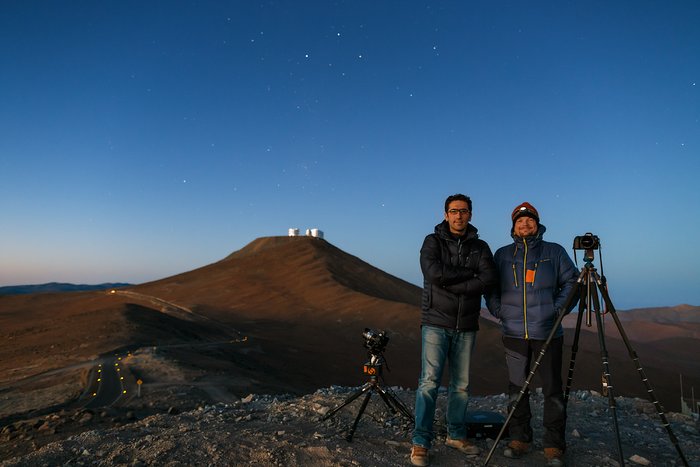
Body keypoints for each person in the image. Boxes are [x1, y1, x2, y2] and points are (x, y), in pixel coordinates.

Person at [485, 202, 577, 467]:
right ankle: (519, 438)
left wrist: (556, 309)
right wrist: (498, 310)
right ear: (513, 226)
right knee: (517, 388)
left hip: (548, 332)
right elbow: (490, 287)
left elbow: (572, 282)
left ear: (537, 224)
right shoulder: (502, 255)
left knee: (552, 389)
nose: (525, 225)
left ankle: (553, 445)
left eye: (530, 221)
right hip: (513, 331)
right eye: (520, 221)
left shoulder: (554, 252)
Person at [410, 193, 497, 467]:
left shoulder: (481, 246)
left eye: (464, 211)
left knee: (460, 386)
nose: (459, 215)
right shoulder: (432, 241)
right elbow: (434, 274)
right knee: (429, 384)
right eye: (454, 211)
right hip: (436, 322)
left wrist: (452, 283)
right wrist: (469, 276)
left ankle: (456, 435)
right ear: (446, 214)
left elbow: (489, 277)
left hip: (467, 324)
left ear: (471, 214)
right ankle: (420, 442)